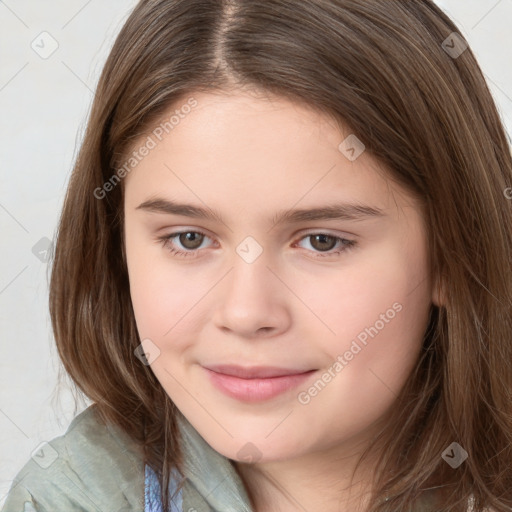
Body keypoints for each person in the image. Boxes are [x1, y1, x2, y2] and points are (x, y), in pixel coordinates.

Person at [3, 0, 512, 511]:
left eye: (322, 241)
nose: (246, 314)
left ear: (453, 251)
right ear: (118, 248)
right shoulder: (64, 498)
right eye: (189, 239)